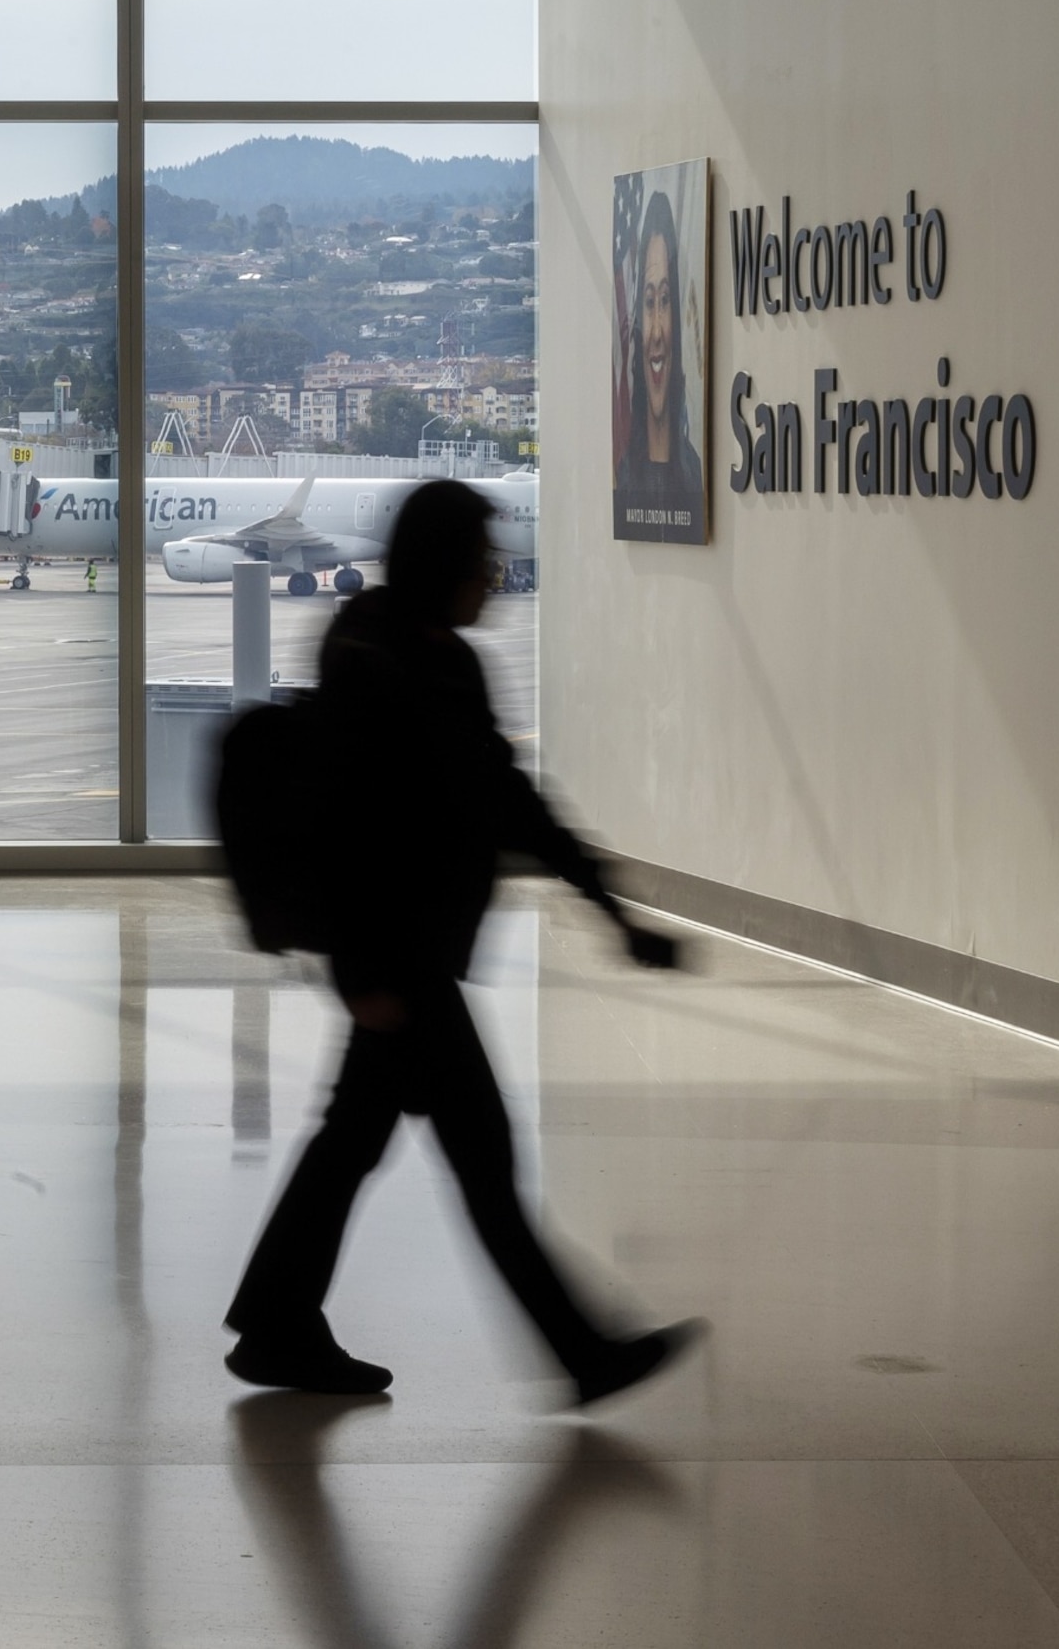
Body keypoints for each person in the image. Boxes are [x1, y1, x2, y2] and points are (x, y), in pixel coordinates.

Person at [223, 481, 701, 1404]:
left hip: (413, 959)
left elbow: (510, 799)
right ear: (442, 562)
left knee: (354, 1144)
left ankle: (277, 1322)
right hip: (396, 963)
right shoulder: (379, 657)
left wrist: (612, 912)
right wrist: (363, 972)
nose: (494, 576)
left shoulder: (440, 659)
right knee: (479, 1163)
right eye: (481, 559)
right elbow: (344, 827)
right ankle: (581, 1353)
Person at [614, 187, 704, 539]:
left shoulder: (694, 473)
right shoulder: (623, 475)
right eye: (648, 302)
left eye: (665, 300)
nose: (654, 333)